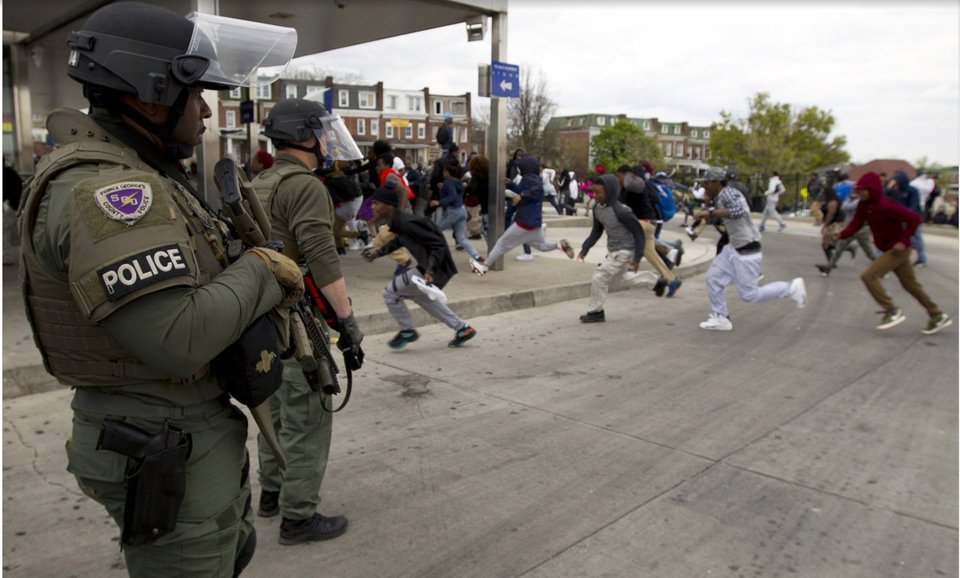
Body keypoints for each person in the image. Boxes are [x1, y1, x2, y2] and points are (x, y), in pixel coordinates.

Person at [18, 3, 304, 575]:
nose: (203, 109)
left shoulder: (138, 171)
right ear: (150, 95)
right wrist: (263, 269)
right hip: (160, 436)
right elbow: (176, 337)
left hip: (174, 430)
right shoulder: (112, 192)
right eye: (194, 92)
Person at [252, 98, 365, 545]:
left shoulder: (260, 181)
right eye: (321, 132)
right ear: (304, 135)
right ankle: (298, 517)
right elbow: (321, 258)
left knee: (275, 413)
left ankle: (271, 493)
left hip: (261, 320)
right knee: (308, 419)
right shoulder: (305, 186)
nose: (326, 140)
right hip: (298, 322)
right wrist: (348, 322)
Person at [834, 172, 951, 334]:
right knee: (911, 285)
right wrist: (841, 235)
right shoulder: (864, 205)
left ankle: (891, 310)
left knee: (868, 276)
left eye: (863, 190)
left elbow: (914, 219)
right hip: (889, 249)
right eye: (858, 190)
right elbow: (856, 224)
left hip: (898, 250)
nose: (859, 193)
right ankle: (937, 315)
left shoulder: (886, 205)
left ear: (872, 190)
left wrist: (903, 241)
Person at [363, 186, 477, 348]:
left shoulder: (407, 223)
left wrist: (430, 270)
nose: (372, 207)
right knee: (420, 296)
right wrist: (378, 253)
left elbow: (438, 245)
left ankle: (407, 331)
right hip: (431, 265)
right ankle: (462, 328)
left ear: (388, 205)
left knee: (391, 293)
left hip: (435, 266)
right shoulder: (399, 222)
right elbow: (400, 241)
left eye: (376, 203)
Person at [694, 167, 806, 331]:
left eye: (707, 183)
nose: (705, 187)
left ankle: (790, 288)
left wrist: (710, 213)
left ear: (717, 182)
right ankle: (721, 318)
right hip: (734, 247)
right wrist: (709, 210)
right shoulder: (722, 194)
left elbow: (737, 211)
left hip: (747, 249)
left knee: (749, 295)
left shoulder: (727, 193)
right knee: (713, 278)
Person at [470, 156, 575, 275]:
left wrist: (522, 196)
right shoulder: (531, 178)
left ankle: (484, 267)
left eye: (520, 168)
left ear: (526, 168)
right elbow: (521, 189)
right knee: (543, 246)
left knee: (502, 243)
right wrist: (510, 184)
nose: (519, 170)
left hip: (525, 221)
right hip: (534, 223)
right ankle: (559, 245)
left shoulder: (532, 179)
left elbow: (536, 191)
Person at [577, 174, 653, 322]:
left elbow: (638, 233)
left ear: (610, 191)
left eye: (599, 193)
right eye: (594, 192)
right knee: (622, 279)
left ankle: (595, 312)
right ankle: (655, 282)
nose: (595, 196)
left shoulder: (622, 211)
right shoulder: (597, 209)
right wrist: (585, 248)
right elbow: (597, 231)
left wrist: (637, 258)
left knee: (599, 277)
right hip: (613, 251)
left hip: (625, 251)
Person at [615, 165, 682, 297]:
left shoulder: (632, 184)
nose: (618, 180)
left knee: (625, 238)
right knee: (651, 254)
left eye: (619, 177)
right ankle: (672, 280)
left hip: (643, 222)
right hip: (651, 222)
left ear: (625, 174)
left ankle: (629, 266)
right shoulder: (641, 183)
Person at [432, 159, 482, 261]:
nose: (443, 173)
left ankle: (435, 255)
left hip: (453, 211)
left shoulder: (447, 182)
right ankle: (476, 256)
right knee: (461, 238)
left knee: (435, 230)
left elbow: (452, 196)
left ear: (447, 172)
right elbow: (455, 192)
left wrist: (439, 202)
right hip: (462, 210)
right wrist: (443, 188)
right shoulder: (457, 182)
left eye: (444, 171)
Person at [816, 191, 877, 276]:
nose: (853, 193)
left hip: (862, 229)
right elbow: (844, 207)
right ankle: (828, 267)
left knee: (868, 252)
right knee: (840, 247)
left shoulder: (861, 202)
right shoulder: (854, 200)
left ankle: (882, 268)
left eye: (856, 191)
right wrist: (850, 198)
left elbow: (849, 207)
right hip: (853, 227)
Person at [891, 170, 927, 267]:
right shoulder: (898, 191)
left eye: (897, 180)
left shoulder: (913, 191)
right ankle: (899, 258)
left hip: (913, 218)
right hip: (902, 218)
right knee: (903, 237)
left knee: (917, 238)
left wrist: (907, 213)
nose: (896, 182)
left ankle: (922, 259)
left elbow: (914, 205)